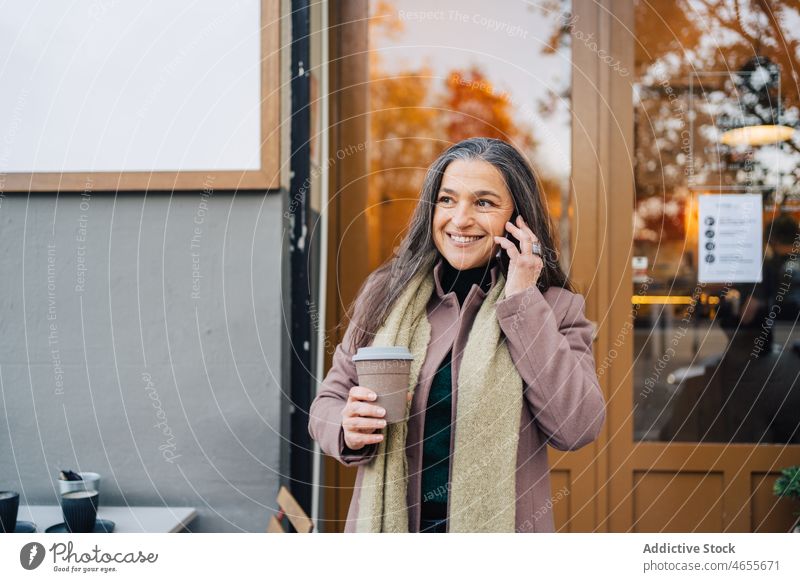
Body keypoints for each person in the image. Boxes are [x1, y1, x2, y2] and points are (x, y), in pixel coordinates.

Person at [308, 137, 606, 532]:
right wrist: (345, 426)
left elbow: (577, 426)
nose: (460, 219)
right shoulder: (386, 293)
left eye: (483, 203)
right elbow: (328, 401)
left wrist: (521, 300)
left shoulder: (552, 308)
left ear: (518, 219)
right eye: (447, 200)